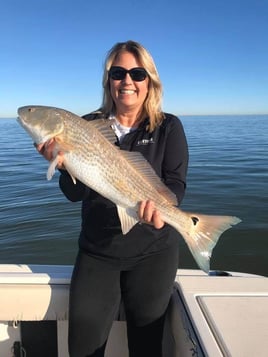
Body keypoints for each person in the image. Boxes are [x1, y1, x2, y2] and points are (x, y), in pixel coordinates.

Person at [37, 40, 188, 357]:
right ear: (109, 81)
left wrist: (164, 209)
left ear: (150, 81)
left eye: (137, 73)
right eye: (118, 72)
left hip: (154, 253)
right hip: (98, 253)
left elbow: (175, 183)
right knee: (83, 349)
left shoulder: (168, 127)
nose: (128, 81)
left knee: (147, 348)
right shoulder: (86, 126)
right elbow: (74, 194)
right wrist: (63, 165)